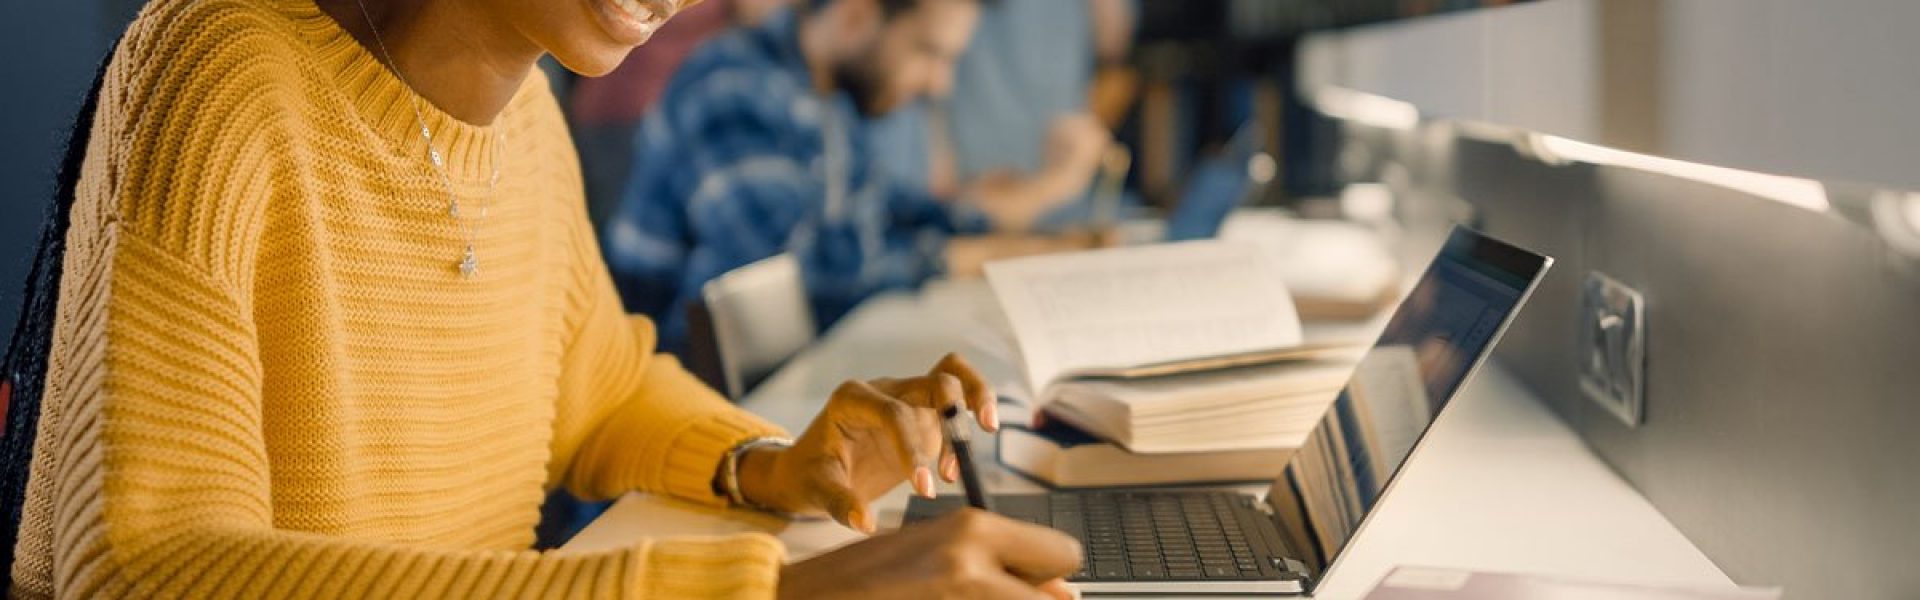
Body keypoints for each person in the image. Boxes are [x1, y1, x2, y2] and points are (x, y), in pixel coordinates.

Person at [0, 0, 1081, 597]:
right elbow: (145, 568)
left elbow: (598, 390)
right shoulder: (220, 69)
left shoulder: (529, 120)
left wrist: (771, 464)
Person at [601, 0, 1109, 353]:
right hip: (670, 432)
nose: (940, 83)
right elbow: (801, 269)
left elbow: (888, 212)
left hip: (770, 396)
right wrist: (989, 255)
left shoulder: (825, 95)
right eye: (930, 52)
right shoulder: (733, 88)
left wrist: (1030, 222)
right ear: (855, 16)